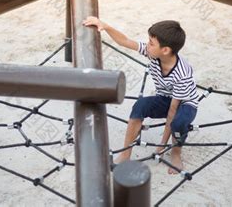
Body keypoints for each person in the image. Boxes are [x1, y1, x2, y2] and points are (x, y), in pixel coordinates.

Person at [83, 17, 199, 174]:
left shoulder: (182, 73)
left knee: (179, 123)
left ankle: (176, 153)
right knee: (140, 105)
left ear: (165, 50)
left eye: (151, 43)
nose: (148, 45)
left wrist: (162, 146)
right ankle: (126, 153)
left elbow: (172, 111)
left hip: (185, 103)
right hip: (165, 97)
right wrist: (105, 26)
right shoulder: (153, 54)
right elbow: (125, 41)